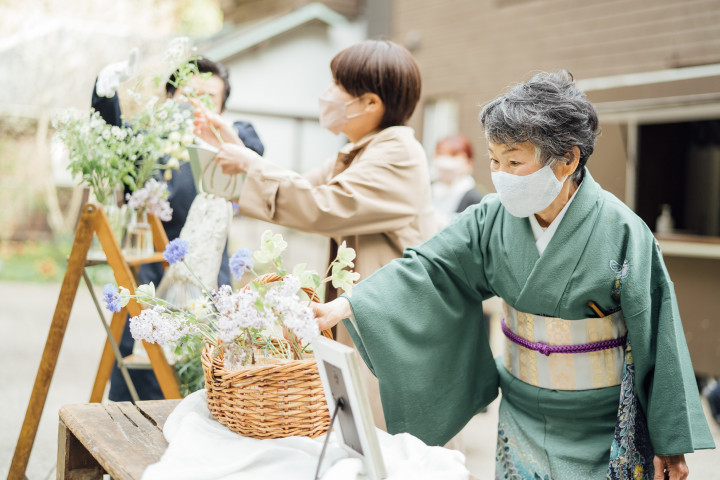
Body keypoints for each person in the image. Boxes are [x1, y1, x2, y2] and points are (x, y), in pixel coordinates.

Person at [312, 71, 715, 479]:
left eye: (514, 160)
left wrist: (670, 441)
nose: (500, 173)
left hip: (601, 424)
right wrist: (350, 303)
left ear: (568, 159)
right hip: (520, 412)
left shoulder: (624, 231)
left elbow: (658, 333)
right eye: (494, 159)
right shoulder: (490, 218)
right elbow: (431, 265)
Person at [192, 40, 436, 429]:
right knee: (361, 426)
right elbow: (298, 190)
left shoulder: (399, 153)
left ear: (370, 103)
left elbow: (323, 206)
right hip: (362, 312)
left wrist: (252, 163)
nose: (327, 95)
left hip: (391, 316)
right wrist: (234, 149)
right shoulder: (360, 150)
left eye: (337, 85)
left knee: (392, 433)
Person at [92, 55, 265, 401]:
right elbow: (113, 137)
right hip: (146, 270)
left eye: (209, 98)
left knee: (198, 372)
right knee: (138, 366)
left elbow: (253, 158)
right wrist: (104, 92)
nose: (196, 105)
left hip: (205, 275)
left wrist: (217, 136)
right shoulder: (147, 139)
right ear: (169, 98)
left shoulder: (232, 140)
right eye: (189, 94)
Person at [431, 133, 483, 227]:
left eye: (453, 155)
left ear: (469, 162)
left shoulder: (473, 199)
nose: (445, 161)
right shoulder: (430, 191)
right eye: (441, 154)